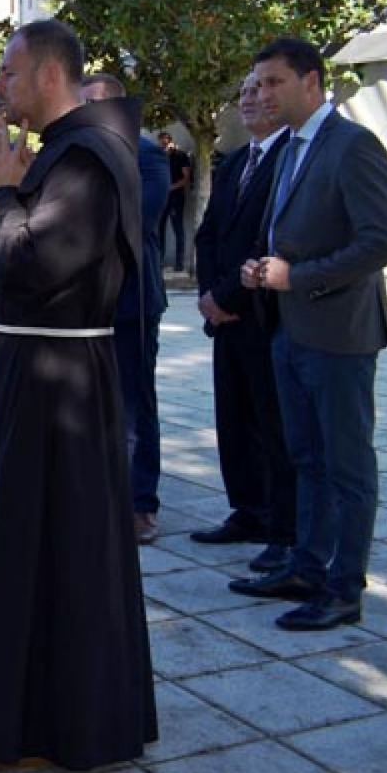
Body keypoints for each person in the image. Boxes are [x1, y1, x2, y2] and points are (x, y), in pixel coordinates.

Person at [0, 18, 156, 770]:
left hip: (56, 385)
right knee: (22, 547)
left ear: (45, 75)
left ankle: (60, 721)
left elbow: (28, 265)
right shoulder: (59, 153)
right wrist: (5, 195)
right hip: (25, 373)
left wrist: (6, 192)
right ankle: (22, 710)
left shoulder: (89, 160)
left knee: (55, 553)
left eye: (7, 75)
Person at [230, 36, 387, 631]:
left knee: (347, 466)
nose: (263, 93)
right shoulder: (292, 147)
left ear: (312, 83)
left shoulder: (353, 146)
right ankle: (306, 566)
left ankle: (344, 589)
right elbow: (292, 231)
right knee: (306, 457)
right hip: (289, 328)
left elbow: (379, 240)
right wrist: (264, 267)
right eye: (259, 83)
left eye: (274, 82)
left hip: (339, 332)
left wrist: (299, 277)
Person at [191, 74, 294, 573]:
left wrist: (229, 294)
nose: (249, 100)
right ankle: (247, 510)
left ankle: (283, 526)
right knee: (232, 418)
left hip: (263, 313)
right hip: (225, 313)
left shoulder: (290, 158)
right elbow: (208, 233)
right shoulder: (233, 162)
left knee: (272, 423)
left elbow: (270, 237)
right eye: (244, 93)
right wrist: (209, 293)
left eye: (259, 90)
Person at [80, 74, 169, 544]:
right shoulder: (81, 155)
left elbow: (136, 220)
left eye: (94, 103)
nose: (86, 112)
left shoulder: (148, 155)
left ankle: (141, 505)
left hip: (133, 303)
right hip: (88, 306)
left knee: (135, 406)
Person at [161, 132, 193, 271]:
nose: (164, 145)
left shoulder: (180, 156)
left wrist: (171, 187)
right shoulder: (161, 157)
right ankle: (159, 261)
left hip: (176, 197)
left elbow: (186, 178)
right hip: (163, 197)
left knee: (178, 229)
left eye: (165, 142)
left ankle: (179, 263)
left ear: (170, 141)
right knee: (159, 228)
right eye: (161, 143)